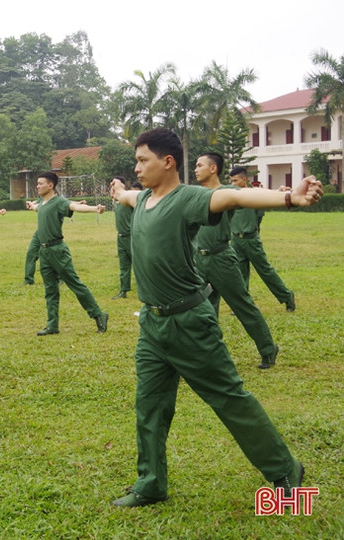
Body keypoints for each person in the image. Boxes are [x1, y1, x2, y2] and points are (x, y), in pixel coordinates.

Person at [109, 127, 317, 508]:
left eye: (142, 160)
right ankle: (151, 483)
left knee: (228, 398)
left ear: (167, 162)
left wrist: (289, 197)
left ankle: (286, 470)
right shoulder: (143, 200)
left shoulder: (187, 198)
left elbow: (233, 196)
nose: (137, 168)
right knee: (149, 405)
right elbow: (127, 196)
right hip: (152, 325)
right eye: (135, 161)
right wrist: (119, 191)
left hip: (188, 323)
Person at [194, 153, 279, 369]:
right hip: (199, 260)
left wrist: (283, 195)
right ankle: (210, 356)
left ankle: (268, 348)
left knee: (242, 305)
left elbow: (252, 196)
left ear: (213, 168)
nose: (195, 169)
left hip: (221, 258)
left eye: (199, 165)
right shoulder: (197, 194)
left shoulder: (228, 193)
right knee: (204, 310)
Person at [26, 172, 108, 335]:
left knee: (74, 284)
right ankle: (52, 325)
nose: (37, 186)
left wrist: (95, 208)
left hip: (58, 251)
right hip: (44, 251)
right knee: (50, 290)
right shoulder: (42, 202)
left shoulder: (59, 202)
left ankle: (98, 314)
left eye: (40, 183)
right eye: (37, 183)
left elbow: (74, 207)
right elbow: (37, 207)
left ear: (50, 185)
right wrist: (31, 205)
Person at [229, 167, 295, 312]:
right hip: (236, 241)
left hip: (251, 240)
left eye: (235, 180)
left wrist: (252, 233)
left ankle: (286, 295)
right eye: (231, 181)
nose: (233, 184)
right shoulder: (231, 197)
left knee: (265, 271)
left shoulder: (254, 196)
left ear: (244, 179)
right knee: (240, 275)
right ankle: (243, 305)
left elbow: (259, 216)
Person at [112, 178, 143, 299]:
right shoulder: (116, 201)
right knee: (123, 265)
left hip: (131, 236)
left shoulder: (128, 200)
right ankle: (123, 290)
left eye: (115, 184)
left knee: (138, 264)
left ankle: (145, 289)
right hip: (120, 237)